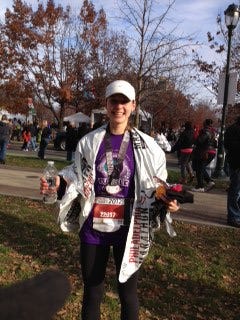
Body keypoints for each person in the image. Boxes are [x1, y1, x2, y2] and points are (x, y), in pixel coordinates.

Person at [40, 80, 180, 320]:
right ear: (106, 104)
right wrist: (58, 184)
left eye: (124, 101)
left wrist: (168, 202)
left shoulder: (148, 147)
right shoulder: (89, 142)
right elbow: (77, 175)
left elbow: (158, 187)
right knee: (92, 292)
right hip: (94, 229)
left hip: (130, 229)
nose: (119, 106)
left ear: (133, 105)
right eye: (114, 101)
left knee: (128, 294)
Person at [191, 119, 217, 192]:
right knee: (201, 168)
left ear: (205, 123)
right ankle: (209, 182)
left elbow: (199, 141)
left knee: (199, 168)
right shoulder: (212, 131)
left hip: (204, 152)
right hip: (210, 152)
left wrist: (196, 135)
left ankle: (200, 186)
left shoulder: (206, 131)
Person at [224, 116, 240, 228]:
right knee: (235, 191)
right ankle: (233, 216)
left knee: (237, 191)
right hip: (237, 164)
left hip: (235, 162)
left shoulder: (232, 129)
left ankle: (236, 215)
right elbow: (230, 146)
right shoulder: (233, 130)